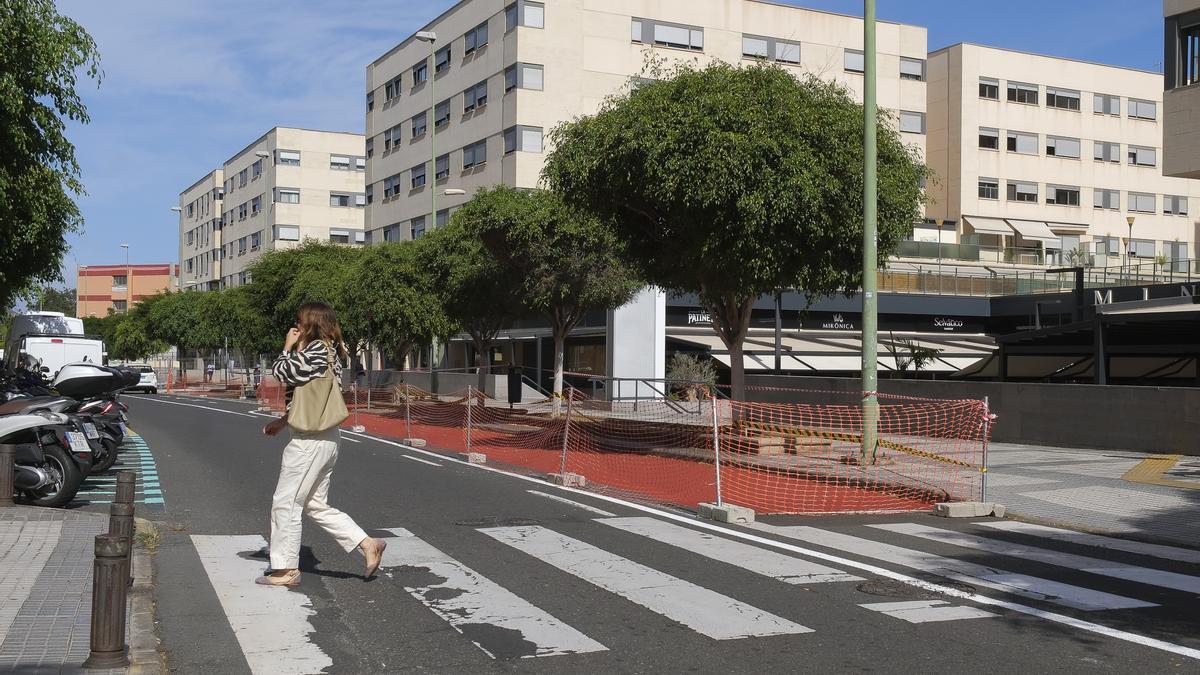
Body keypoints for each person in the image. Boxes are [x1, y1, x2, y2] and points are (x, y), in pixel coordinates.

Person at [258, 302, 386, 587]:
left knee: (286, 502)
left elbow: (282, 372)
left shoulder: (316, 350)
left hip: (310, 441)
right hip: (325, 437)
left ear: (310, 324)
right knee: (315, 504)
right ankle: (367, 543)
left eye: (299, 322)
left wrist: (287, 347)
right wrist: (284, 421)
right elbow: (312, 396)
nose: (295, 326)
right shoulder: (328, 352)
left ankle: (285, 569)